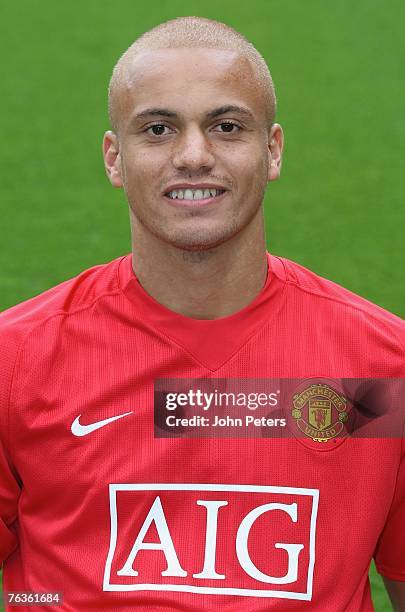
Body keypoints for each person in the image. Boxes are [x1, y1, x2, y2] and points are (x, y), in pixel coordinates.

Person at [0, 15, 404, 611]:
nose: (194, 155)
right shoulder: (17, 360)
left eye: (226, 126)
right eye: (159, 128)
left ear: (272, 150)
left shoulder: (383, 368)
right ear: (114, 158)